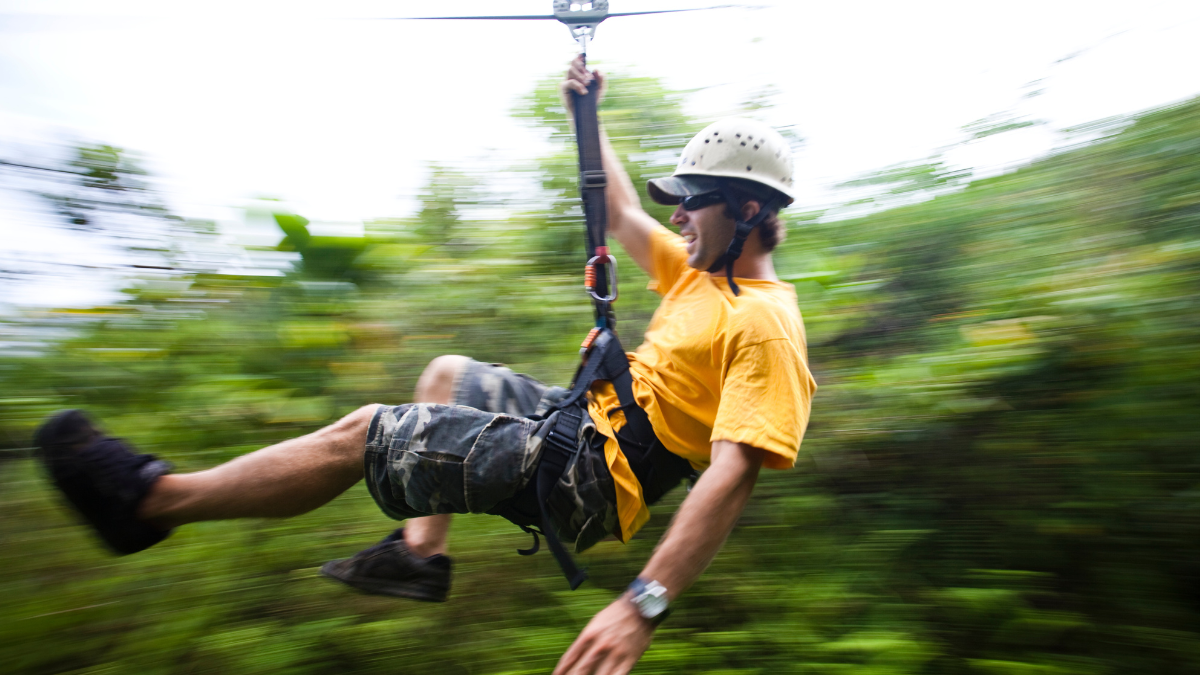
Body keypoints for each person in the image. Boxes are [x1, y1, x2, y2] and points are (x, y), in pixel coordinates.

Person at [33, 57, 816, 675]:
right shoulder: (698, 273)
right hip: (581, 423)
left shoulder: (767, 324)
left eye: (693, 202)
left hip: (595, 477)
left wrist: (644, 602)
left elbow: (732, 473)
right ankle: (420, 555)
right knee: (445, 374)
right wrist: (588, 113)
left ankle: (153, 502)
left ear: (748, 211)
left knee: (367, 434)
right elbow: (613, 208)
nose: (676, 214)